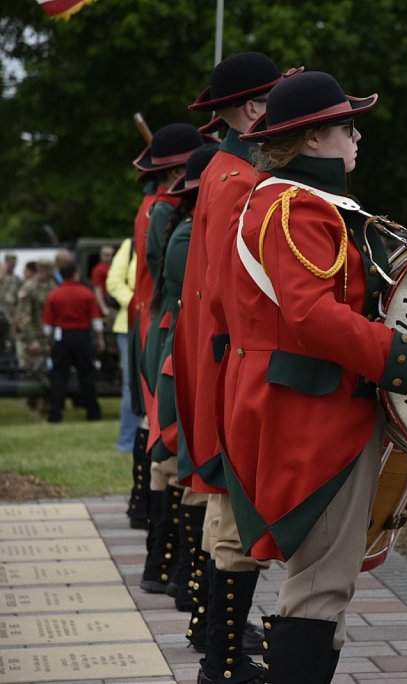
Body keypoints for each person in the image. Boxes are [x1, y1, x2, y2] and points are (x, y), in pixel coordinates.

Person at [222, 70, 407, 682]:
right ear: (314, 140)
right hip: (312, 416)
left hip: (307, 407)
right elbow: (312, 317)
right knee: (321, 585)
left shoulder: (290, 202)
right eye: (348, 126)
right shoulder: (295, 208)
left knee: (326, 585)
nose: (358, 138)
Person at [177, 52, 300, 683]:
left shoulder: (226, 172)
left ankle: (217, 639)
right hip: (235, 361)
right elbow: (234, 291)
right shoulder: (240, 180)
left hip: (221, 357)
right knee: (233, 511)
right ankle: (224, 661)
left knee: (228, 508)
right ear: (256, 110)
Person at [137, 143, 220, 602]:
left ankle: (169, 570)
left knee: (173, 459)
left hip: (174, 342)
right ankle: (178, 576)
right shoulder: (188, 235)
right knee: (175, 457)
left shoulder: (185, 228)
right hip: (176, 345)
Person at [106, 237, 145, 526]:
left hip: (152, 318)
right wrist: (137, 301)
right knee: (130, 388)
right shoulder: (129, 245)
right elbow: (113, 282)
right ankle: (126, 442)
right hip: (129, 324)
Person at [41, 261, 104, 422]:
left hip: (62, 337)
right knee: (87, 375)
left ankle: (55, 414)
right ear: (75, 274)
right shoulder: (86, 293)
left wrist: (49, 342)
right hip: (82, 337)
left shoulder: (54, 294)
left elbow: (48, 324)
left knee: (60, 376)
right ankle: (93, 412)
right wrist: (99, 338)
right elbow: (95, 320)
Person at [13, 260, 54, 416]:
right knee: (34, 371)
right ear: (41, 271)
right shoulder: (29, 288)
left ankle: (45, 405)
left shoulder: (51, 286)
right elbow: (24, 317)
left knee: (46, 371)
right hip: (34, 336)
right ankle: (34, 405)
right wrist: (31, 340)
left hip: (47, 336)